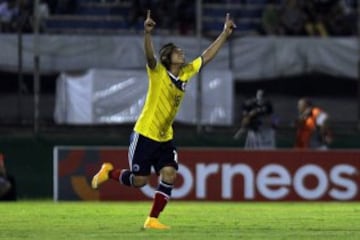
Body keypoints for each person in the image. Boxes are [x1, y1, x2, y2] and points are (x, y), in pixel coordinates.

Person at [91, 10, 236, 230]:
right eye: (177, 52)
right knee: (140, 180)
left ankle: (152, 219)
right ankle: (108, 172)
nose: (181, 53)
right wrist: (147, 34)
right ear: (167, 58)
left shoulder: (185, 73)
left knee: (170, 173)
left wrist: (224, 34)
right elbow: (150, 57)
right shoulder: (158, 72)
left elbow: (206, 56)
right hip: (145, 134)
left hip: (165, 137)